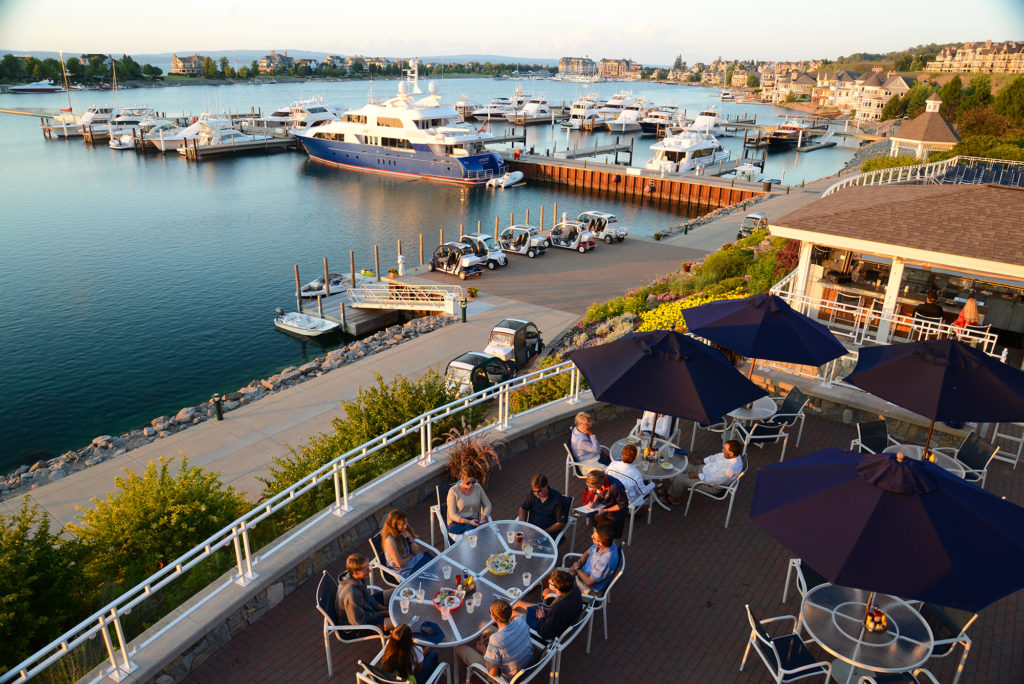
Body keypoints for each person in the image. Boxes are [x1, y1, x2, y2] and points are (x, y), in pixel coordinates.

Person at [456, 599, 534, 680]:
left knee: (460, 650)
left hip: (507, 679)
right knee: (483, 625)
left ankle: (472, 679)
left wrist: (484, 652)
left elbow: (492, 672)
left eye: (490, 613)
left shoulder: (495, 639)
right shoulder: (520, 620)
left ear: (494, 618)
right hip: (528, 666)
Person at [512, 570, 584, 642]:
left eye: (550, 581)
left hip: (545, 628)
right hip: (561, 619)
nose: (548, 580)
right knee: (515, 603)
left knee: (510, 613)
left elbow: (544, 633)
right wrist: (549, 610)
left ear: (556, 588)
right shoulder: (574, 589)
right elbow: (564, 611)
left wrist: (541, 617)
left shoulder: (558, 607)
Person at [667, 439, 745, 505]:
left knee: (680, 479)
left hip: (710, 485)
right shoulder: (732, 455)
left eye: (724, 449)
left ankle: (674, 499)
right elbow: (716, 456)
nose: (722, 450)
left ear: (731, 454)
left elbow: (713, 480)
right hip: (705, 470)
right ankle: (674, 487)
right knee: (682, 465)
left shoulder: (730, 470)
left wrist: (697, 475)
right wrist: (702, 461)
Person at [336, 553, 392, 631]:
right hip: (360, 625)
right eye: (366, 569)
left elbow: (367, 597)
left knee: (394, 592)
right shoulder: (351, 594)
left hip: (366, 607)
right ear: (356, 572)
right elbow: (358, 621)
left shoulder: (358, 578)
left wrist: (381, 608)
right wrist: (382, 613)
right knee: (400, 621)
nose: (369, 571)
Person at [381, 509, 432, 579]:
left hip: (415, 561)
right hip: (405, 571)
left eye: (406, 522)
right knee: (431, 576)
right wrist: (411, 554)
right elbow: (399, 564)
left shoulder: (404, 530)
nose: (405, 526)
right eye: (402, 525)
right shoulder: (390, 540)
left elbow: (416, 551)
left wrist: (410, 538)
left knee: (435, 566)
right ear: (394, 526)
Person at [569, 526, 620, 594]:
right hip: (580, 575)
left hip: (588, 589)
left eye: (593, 538)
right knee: (552, 573)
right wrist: (578, 565)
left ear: (601, 543)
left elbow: (589, 581)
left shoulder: (606, 561)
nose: (591, 536)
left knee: (556, 586)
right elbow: (587, 553)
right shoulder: (606, 543)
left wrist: (577, 569)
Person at [517, 473, 567, 537]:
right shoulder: (533, 494)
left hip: (549, 533)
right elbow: (523, 508)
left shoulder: (557, 500)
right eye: (534, 491)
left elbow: (561, 523)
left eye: (539, 491)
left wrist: (542, 532)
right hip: (532, 529)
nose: (536, 494)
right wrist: (524, 526)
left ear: (546, 485)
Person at [446, 466, 492, 535]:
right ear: (461, 479)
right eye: (468, 483)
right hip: (457, 523)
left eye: (473, 482)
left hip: (474, 522)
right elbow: (452, 514)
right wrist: (468, 522)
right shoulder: (453, 491)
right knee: (471, 539)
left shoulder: (477, 487)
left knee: (477, 537)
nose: (471, 485)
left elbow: (488, 504)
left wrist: (484, 516)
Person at [584, 470, 629, 536]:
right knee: (600, 534)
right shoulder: (597, 484)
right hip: (602, 512)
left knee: (610, 537)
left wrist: (605, 510)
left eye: (595, 488)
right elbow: (597, 493)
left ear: (600, 483)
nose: (593, 490)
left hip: (614, 516)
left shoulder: (615, 487)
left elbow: (623, 505)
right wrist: (595, 502)